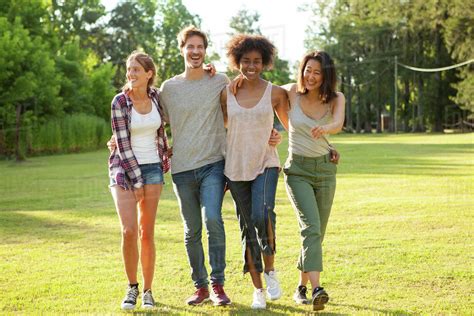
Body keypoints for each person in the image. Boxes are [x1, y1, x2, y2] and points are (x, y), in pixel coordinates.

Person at [220, 34, 289, 310]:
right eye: (246, 61)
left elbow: (289, 126)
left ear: (265, 62)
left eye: (257, 61)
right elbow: (222, 127)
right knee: (247, 228)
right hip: (235, 168)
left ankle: (271, 271)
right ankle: (258, 289)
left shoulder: (275, 92)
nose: (251, 66)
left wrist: (279, 137)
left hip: (265, 162)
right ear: (237, 62)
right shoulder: (228, 92)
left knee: (263, 213)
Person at [282, 51, 345, 311]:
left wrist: (326, 130)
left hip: (325, 169)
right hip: (297, 171)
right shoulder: (289, 93)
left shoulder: (336, 98)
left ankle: (300, 287)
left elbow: (339, 123)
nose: (310, 76)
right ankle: (318, 288)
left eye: (317, 72)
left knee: (317, 232)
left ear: (326, 76)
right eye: (308, 70)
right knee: (311, 228)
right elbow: (261, 89)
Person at [108, 51, 171, 310]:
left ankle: (147, 290)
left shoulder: (157, 97)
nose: (131, 73)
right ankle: (131, 287)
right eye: (129, 69)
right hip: (123, 171)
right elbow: (121, 144)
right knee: (129, 230)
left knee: (147, 232)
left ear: (149, 74)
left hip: (153, 169)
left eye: (136, 69)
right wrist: (136, 182)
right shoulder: (120, 102)